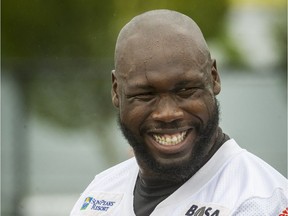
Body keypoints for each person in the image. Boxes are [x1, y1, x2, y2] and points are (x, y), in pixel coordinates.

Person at [70, 9, 288, 216]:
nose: (167, 113)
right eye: (145, 95)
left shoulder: (259, 201)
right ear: (117, 90)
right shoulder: (99, 194)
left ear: (213, 78)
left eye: (185, 90)